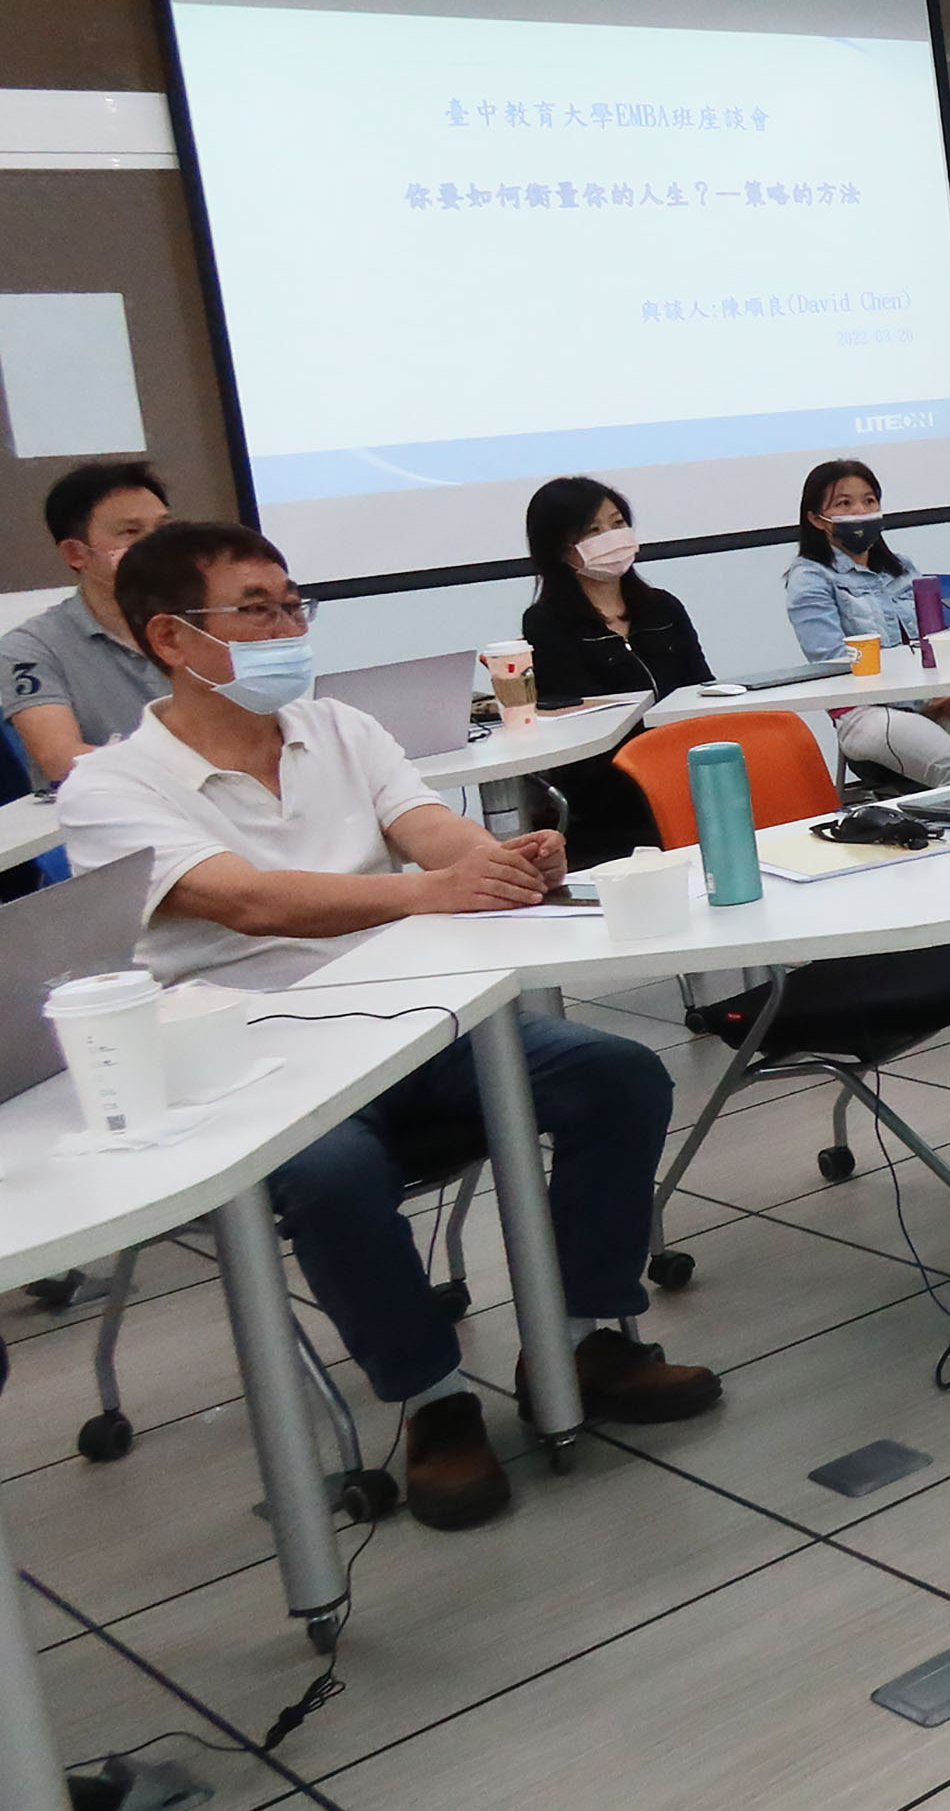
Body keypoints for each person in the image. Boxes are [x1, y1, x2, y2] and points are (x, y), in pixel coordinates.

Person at [57, 521, 716, 1531]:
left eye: (293, 604)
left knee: (615, 1073)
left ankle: (583, 1333)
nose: (288, 627)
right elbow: (245, 901)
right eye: (256, 610)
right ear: (171, 637)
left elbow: (427, 827)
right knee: (332, 1174)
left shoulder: (338, 727)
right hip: (255, 1057)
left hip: (411, 1015)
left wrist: (499, 861)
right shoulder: (111, 786)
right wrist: (428, 891)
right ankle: (433, 1397)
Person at [517, 476, 713, 865]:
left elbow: (701, 687)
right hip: (613, 791)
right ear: (560, 548)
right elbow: (583, 716)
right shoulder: (547, 622)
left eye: (618, 523)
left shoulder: (662, 608)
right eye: (593, 531)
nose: (611, 537)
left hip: (687, 767)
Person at [782, 460, 950, 789]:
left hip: (932, 699)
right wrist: (917, 700)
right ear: (816, 519)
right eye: (844, 503)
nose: (860, 511)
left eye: (869, 500)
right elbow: (832, 663)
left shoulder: (901, 567)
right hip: (865, 712)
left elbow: (936, 638)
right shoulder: (810, 578)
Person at [6, 460, 174, 787]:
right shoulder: (30, 648)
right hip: (112, 802)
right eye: (131, 532)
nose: (158, 546)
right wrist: (188, 767)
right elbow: (61, 759)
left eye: (164, 529)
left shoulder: (207, 620)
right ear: (76, 553)